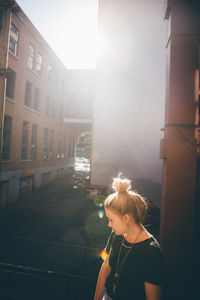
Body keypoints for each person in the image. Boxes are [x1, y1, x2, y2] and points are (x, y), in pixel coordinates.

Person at [94, 175, 165, 300]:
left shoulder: (152, 253)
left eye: (111, 220)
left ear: (126, 218)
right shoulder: (116, 235)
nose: (109, 224)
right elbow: (105, 266)